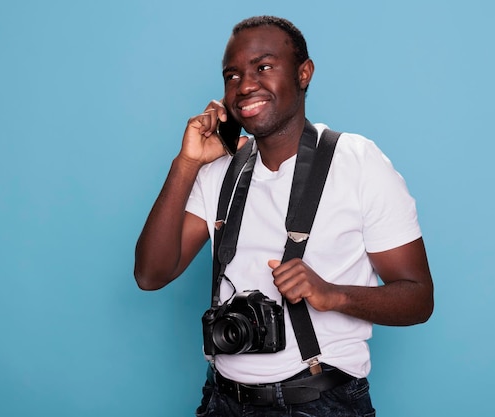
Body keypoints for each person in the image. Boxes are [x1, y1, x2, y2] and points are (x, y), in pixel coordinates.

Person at [134, 15, 434, 417]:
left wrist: (334, 294)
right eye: (232, 75)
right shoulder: (219, 171)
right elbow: (151, 275)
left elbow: (418, 298)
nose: (245, 85)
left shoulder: (358, 162)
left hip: (319, 401)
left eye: (263, 67)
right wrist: (186, 163)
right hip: (222, 399)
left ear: (304, 73)